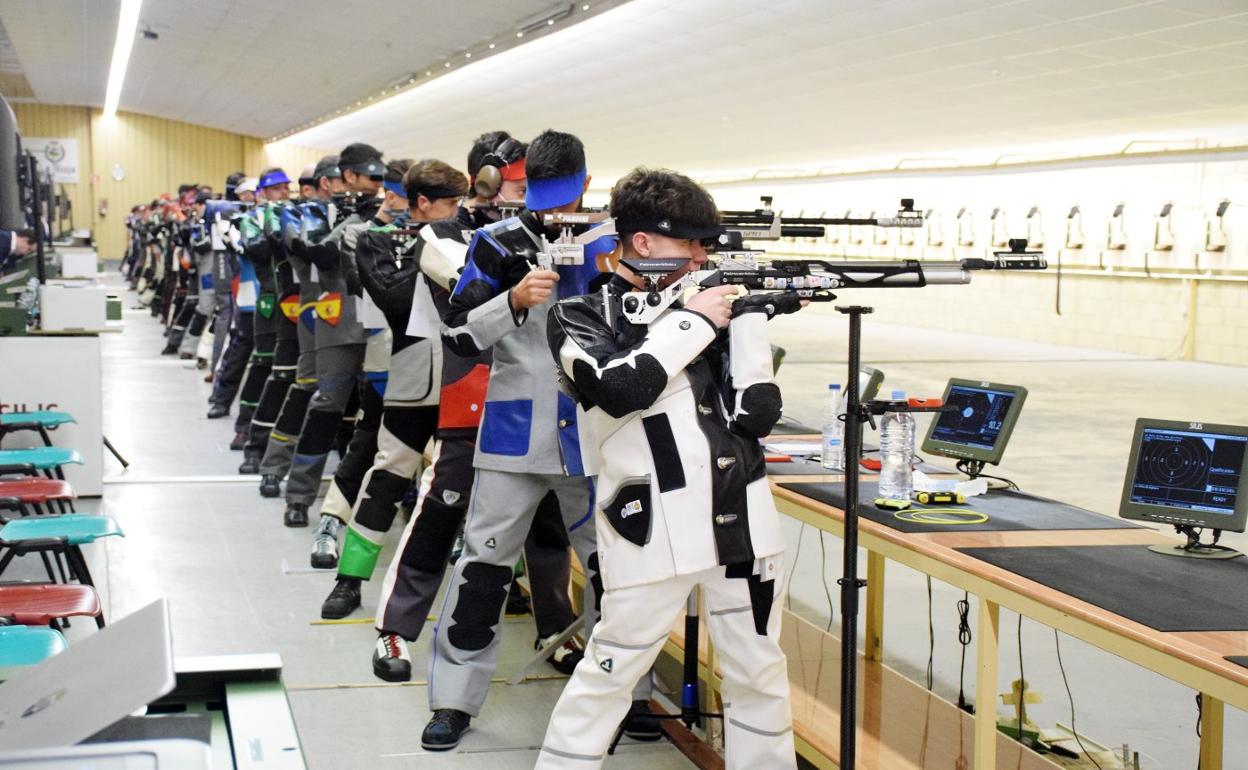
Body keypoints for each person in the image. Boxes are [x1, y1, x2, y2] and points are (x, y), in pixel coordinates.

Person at [537, 168, 800, 769]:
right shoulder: (577, 316)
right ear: (644, 244)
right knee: (609, 671)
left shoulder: (713, 306)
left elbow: (757, 412)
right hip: (649, 526)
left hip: (742, 521)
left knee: (758, 674)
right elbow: (620, 386)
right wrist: (698, 321)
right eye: (693, 243)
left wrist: (750, 322)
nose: (704, 256)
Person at [421, 130, 610, 751]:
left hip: (598, 438)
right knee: (482, 571)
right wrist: (511, 301)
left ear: (585, 182)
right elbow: (456, 336)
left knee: (615, 574)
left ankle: (625, 694)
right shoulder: (496, 244)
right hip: (513, 436)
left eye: (564, 200)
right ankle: (453, 700)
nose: (556, 216)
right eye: (543, 199)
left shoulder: (613, 245)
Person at [277, 143, 387, 526]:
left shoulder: (384, 211)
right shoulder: (305, 212)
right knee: (326, 406)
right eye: (368, 177)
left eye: (379, 178)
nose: (375, 185)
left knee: (379, 416)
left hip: (383, 325)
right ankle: (300, 494)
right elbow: (317, 252)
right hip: (338, 321)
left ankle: (373, 499)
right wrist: (354, 220)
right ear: (345, 177)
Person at [254, 157, 341, 486]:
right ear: (325, 185)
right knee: (305, 388)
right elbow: (302, 245)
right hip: (313, 308)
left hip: (355, 312)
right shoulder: (298, 214)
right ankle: (274, 468)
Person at [237, 168, 294, 475]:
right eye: (276, 189)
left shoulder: (296, 214)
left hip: (297, 304)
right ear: (263, 192)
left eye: (286, 188)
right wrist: (274, 220)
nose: (283, 193)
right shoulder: (252, 219)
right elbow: (257, 249)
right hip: (269, 302)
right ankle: (246, 428)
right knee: (263, 367)